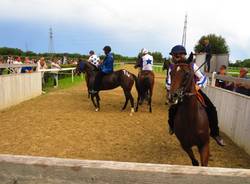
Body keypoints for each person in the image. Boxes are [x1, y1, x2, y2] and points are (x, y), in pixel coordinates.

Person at [167, 45, 225, 146]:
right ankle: (172, 126)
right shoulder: (172, 67)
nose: (176, 57)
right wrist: (172, 89)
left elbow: (203, 78)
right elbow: (168, 82)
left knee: (212, 109)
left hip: (193, 90)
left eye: (178, 55)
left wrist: (198, 86)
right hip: (178, 92)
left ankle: (215, 133)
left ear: (184, 55)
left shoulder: (192, 65)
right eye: (174, 55)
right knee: (172, 110)